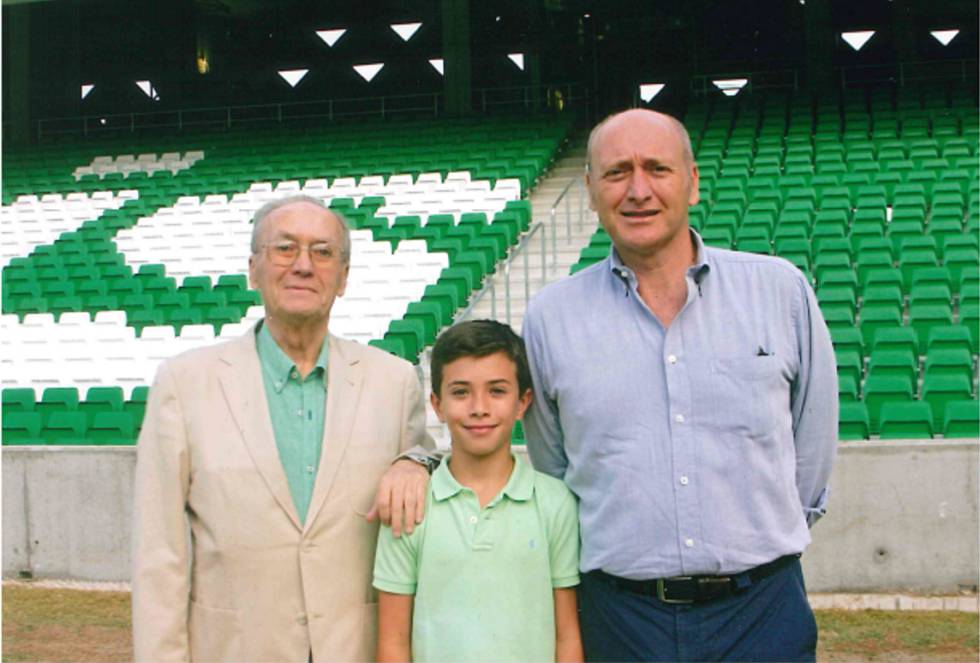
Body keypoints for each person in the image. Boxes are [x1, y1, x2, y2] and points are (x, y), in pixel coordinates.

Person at [520, 109, 838, 662]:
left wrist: (757, 546)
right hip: (620, 620)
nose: (638, 190)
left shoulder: (780, 291)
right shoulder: (551, 318)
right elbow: (554, 468)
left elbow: (811, 452)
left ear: (691, 182)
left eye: (657, 168)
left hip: (761, 613)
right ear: (591, 190)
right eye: (617, 172)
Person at [132, 194, 434, 662]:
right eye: (285, 248)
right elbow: (159, 557)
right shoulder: (184, 383)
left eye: (323, 251)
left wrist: (418, 463)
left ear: (344, 277)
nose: (303, 265)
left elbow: (425, 486)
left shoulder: (394, 382)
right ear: (253, 268)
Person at [373, 320, 584, 662]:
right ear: (437, 405)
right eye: (460, 392)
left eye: (497, 391)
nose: (479, 407)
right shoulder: (409, 505)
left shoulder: (554, 503)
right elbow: (393, 643)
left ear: (522, 402)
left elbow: (567, 635)